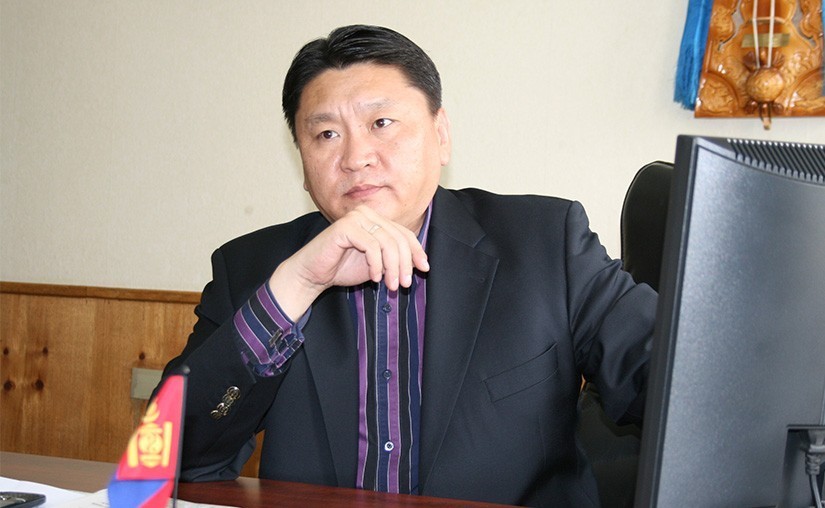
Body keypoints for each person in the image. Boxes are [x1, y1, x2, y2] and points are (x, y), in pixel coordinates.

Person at [161, 24, 656, 507]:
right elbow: (164, 462)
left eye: (381, 123)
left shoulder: (545, 243)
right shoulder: (256, 270)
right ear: (303, 166)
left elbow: (668, 380)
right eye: (327, 133)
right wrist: (296, 286)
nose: (356, 158)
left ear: (441, 135)